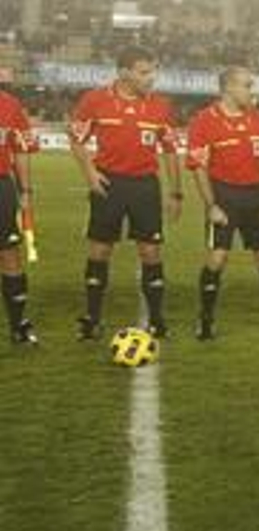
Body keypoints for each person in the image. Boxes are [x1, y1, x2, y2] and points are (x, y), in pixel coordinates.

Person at [70, 45, 181, 340]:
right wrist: (90, 173)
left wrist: (176, 193)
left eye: (153, 71)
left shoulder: (161, 106)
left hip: (145, 185)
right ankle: (92, 318)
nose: (151, 77)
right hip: (108, 184)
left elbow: (170, 150)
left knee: (150, 251)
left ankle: (157, 320)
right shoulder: (95, 100)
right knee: (100, 249)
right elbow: (77, 139)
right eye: (144, 72)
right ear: (123, 73)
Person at [185, 67, 259, 341]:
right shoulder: (204, 121)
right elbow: (198, 167)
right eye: (247, 85)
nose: (251, 91)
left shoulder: (258, 118)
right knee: (217, 258)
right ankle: (205, 320)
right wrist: (211, 205)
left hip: (257, 196)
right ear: (229, 88)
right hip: (224, 196)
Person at [0, 80, 39, 344]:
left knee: (9, 253)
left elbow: (21, 150)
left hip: (1, 185)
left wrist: (25, 190)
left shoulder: (9, 105)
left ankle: (18, 324)